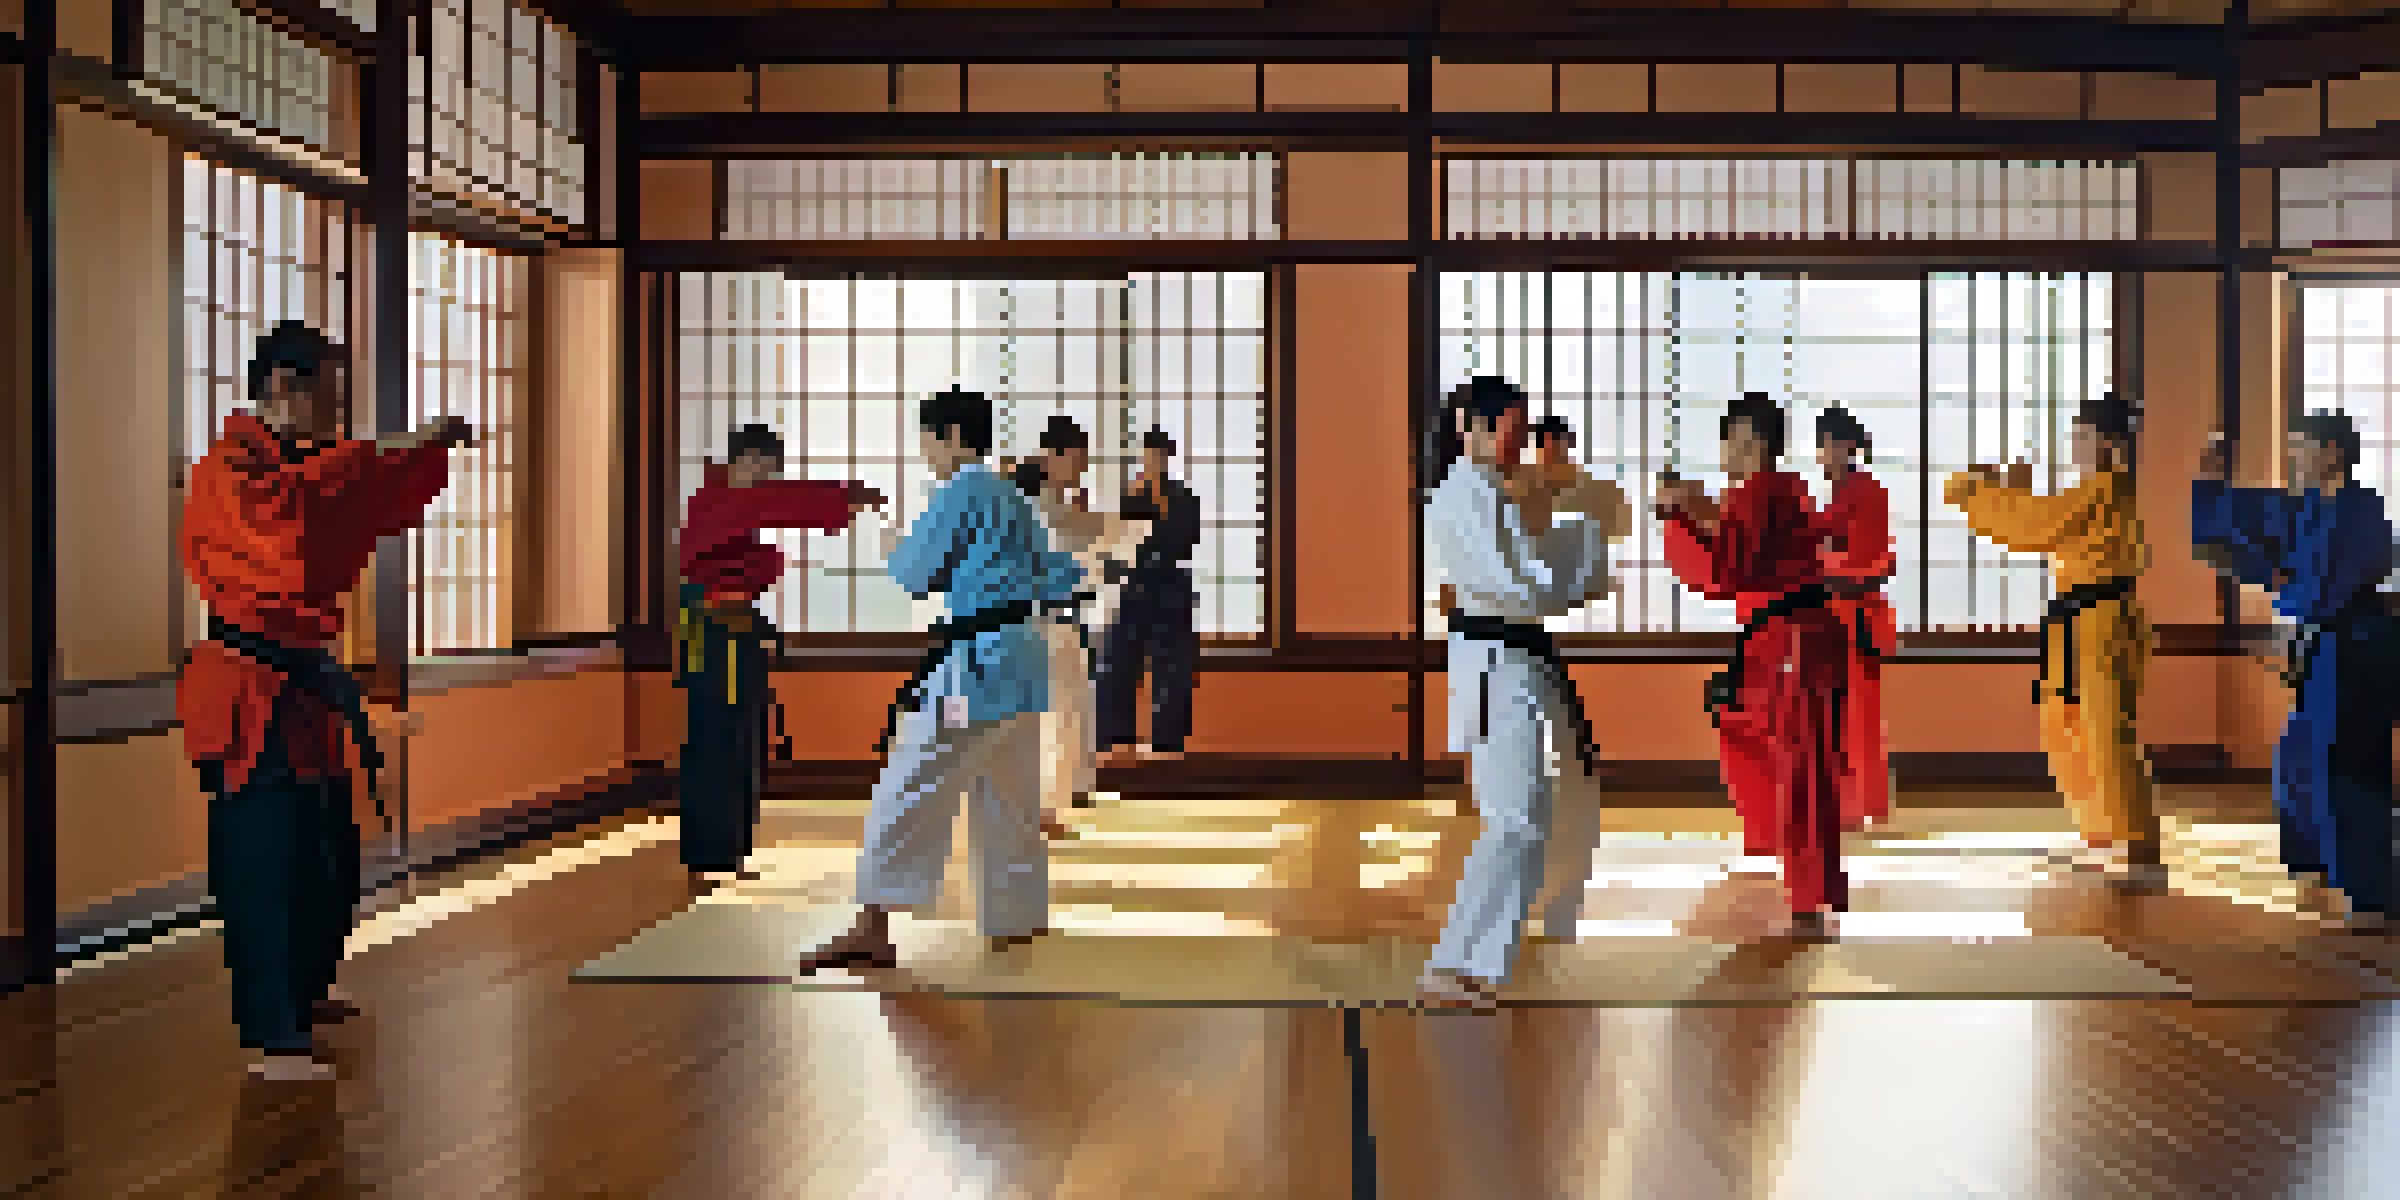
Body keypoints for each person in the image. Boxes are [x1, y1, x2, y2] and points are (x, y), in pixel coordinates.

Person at [179, 320, 475, 1081]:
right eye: (330, 397)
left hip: (306, 683)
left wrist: (419, 452)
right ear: (284, 386)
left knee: (324, 855)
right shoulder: (229, 471)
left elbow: (353, 496)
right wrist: (385, 448)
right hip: (250, 683)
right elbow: (288, 525)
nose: (338, 418)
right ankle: (271, 1033)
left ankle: (304, 992)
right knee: (265, 861)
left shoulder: (300, 465)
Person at [796, 388, 1082, 972]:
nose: (925, 452)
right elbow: (1055, 574)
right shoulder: (1014, 497)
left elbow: (914, 575)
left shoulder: (963, 491)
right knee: (1012, 793)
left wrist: (888, 539)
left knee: (910, 782)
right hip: (1026, 662)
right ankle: (1016, 920)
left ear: (951, 435)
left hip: (977, 670)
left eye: (927, 439)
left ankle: (872, 926)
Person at [1420, 377, 1618, 1010]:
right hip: (1494, 662)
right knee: (1510, 821)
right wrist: (1569, 543)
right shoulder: (1459, 496)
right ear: (1469, 429)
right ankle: (1450, 964)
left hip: (1516, 658)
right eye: (1511, 425)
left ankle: (1482, 966)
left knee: (1530, 822)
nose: (1521, 440)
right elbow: (1520, 588)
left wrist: (1576, 513)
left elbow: (1551, 583)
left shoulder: (1492, 496)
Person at [1944, 391, 2163, 885]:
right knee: (2067, 726)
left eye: (2083, 437)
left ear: (2109, 445)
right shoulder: (2090, 490)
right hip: (2076, 621)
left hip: (2102, 620)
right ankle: (2102, 834)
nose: (2075, 446)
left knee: (2106, 729)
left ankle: (2139, 847)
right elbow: (2039, 519)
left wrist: (1974, 489)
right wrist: (2007, 490)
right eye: (2075, 436)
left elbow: (2033, 525)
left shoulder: (2106, 488)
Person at [1657, 392, 1855, 938]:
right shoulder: (1772, 492)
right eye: (1728, 441)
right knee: (1782, 753)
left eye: (1739, 442)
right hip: (1788, 636)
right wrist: (1695, 513)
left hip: (1790, 637)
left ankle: (1809, 897)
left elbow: (1724, 573)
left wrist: (1679, 518)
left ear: (1757, 444)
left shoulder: (1763, 490)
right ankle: (1808, 887)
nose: (1730, 452)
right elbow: (1737, 550)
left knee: (1797, 762)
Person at [2192, 412, 2399, 933]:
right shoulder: (2306, 508)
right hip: (2326, 642)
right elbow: (2240, 520)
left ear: (2332, 454)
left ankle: (2372, 892)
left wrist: (2288, 600)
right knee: (2303, 752)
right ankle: (2324, 864)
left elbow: (2325, 588)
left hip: (2358, 644)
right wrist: (2212, 481)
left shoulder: (2361, 512)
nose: (2291, 460)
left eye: (2300, 449)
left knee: (2347, 763)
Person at [675, 423, 882, 883]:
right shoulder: (717, 498)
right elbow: (776, 502)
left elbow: (772, 504)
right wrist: (844, 497)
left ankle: (730, 851)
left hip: (734, 628)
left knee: (743, 736)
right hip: (712, 634)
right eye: (762, 471)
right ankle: (709, 854)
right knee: (715, 737)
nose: (766, 482)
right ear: (741, 461)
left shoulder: (735, 499)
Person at [1010, 415, 1148, 838]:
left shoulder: (1060, 505)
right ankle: (1034, 809)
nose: (1082, 467)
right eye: (1078, 458)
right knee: (1041, 718)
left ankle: (1055, 803)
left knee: (1069, 712)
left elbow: (1100, 557)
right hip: (1030, 623)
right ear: (1058, 455)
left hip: (1064, 621)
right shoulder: (1030, 502)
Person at [1813, 407, 1899, 832]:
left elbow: (1875, 561)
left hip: (1853, 613)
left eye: (1826, 445)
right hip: (1843, 612)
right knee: (1848, 713)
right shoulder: (1849, 493)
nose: (1821, 456)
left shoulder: (1864, 493)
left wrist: (1822, 562)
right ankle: (1858, 803)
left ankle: (1852, 806)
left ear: (1845, 447)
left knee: (1850, 714)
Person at [1097, 428, 1203, 765]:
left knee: (1173, 667)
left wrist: (1161, 502)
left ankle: (1168, 744)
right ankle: (1116, 741)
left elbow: (1186, 542)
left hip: (1171, 584)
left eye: (1158, 455)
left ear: (1167, 458)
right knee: (1117, 663)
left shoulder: (1184, 496)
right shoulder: (1130, 496)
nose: (1152, 461)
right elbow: (1119, 543)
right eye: (1147, 455)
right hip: (1135, 584)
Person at [1508, 415, 1632, 543]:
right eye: (1548, 443)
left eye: (1557, 443)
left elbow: (1619, 525)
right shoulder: (1525, 479)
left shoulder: (1590, 483)